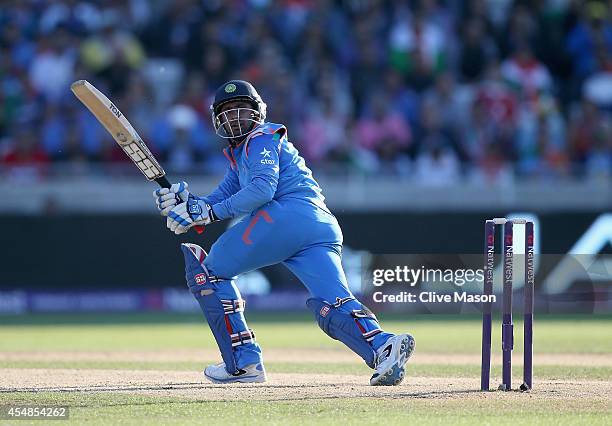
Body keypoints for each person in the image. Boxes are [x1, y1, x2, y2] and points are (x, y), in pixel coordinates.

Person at [153, 80, 415, 385]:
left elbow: (262, 189)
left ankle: (243, 362)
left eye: (242, 109)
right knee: (332, 304)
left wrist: (205, 213)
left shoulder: (262, 137)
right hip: (320, 225)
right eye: (228, 111)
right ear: (217, 120)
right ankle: (384, 346)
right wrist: (186, 203)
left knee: (209, 273)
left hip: (286, 216)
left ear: (259, 113)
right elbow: (217, 200)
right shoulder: (239, 158)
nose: (236, 117)